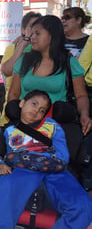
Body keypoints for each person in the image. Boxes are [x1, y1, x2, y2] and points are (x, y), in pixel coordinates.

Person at [0, 90, 92, 229]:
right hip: (24, 169)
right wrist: (1, 164)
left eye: (42, 110)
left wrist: (42, 162)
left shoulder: (53, 126)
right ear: (22, 103)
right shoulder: (10, 131)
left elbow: (62, 157)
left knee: (83, 205)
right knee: (7, 187)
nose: (36, 111)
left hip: (54, 169)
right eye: (34, 104)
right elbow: (3, 156)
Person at [7, 15, 92, 164]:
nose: (32, 37)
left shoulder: (68, 62)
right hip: (25, 128)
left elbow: (81, 95)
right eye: (32, 33)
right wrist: (14, 114)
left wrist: (84, 114)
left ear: (52, 35)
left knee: (52, 172)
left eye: (37, 33)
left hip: (55, 131)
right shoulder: (24, 60)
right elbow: (14, 94)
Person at [0, 11, 42, 127]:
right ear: (23, 30)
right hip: (11, 113)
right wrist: (23, 44)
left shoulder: (43, 51)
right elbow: (7, 71)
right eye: (31, 26)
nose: (35, 30)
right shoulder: (12, 48)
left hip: (35, 116)